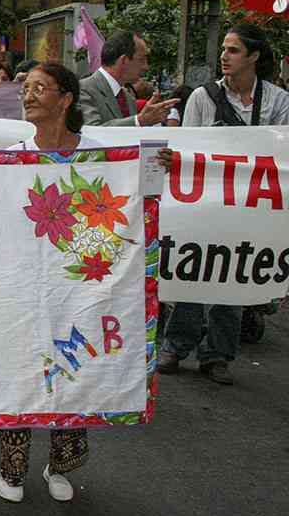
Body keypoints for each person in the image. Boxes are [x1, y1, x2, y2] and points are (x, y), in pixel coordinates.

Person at [0, 62, 100, 503]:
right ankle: (12, 469)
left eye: (41, 88)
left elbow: (120, 202)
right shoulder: (13, 155)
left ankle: (60, 463)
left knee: (72, 370)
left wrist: (156, 166)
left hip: (75, 286)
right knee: (19, 372)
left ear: (66, 98)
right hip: (21, 286)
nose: (29, 95)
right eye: (27, 88)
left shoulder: (98, 155)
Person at [158, 23, 289, 386]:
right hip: (203, 202)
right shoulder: (202, 97)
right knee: (193, 269)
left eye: (233, 50)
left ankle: (218, 354)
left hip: (249, 205)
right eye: (224, 50)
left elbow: (281, 156)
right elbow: (187, 145)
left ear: (254, 56)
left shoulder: (279, 101)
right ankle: (176, 344)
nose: (224, 56)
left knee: (232, 274)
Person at [79, 31, 177, 126]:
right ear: (124, 60)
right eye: (141, 60)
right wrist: (139, 121)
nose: (146, 67)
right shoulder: (83, 89)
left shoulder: (128, 98)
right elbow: (92, 131)